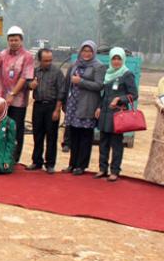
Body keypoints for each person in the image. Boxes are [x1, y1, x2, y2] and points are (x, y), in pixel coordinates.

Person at [94, 47, 138, 182]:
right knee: (103, 142)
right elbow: (105, 95)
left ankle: (115, 171)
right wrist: (99, 107)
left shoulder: (127, 74)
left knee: (117, 144)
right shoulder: (108, 73)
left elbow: (134, 95)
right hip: (105, 113)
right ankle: (102, 169)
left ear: (123, 59)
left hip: (118, 114)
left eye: (119, 59)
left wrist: (120, 99)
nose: (116, 62)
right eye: (114, 58)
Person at [62, 40, 106, 176]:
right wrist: (65, 102)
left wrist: (81, 82)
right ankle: (72, 163)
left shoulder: (98, 66)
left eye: (89, 51)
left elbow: (99, 85)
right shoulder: (75, 64)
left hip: (87, 104)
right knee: (73, 135)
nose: (86, 53)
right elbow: (67, 83)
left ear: (93, 52)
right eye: (84, 50)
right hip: (73, 104)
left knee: (85, 137)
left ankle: (81, 165)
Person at [0, 26, 34, 163]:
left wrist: (12, 94)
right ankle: (0, 154)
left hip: (18, 99)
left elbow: (24, 77)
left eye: (16, 40)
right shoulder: (2, 54)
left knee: (15, 128)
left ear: (21, 40)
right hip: (1, 97)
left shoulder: (27, 57)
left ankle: (14, 157)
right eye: (11, 40)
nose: (13, 42)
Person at [27, 48, 65, 174]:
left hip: (51, 106)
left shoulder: (57, 72)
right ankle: (36, 161)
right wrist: (30, 85)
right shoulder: (35, 71)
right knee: (37, 135)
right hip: (38, 106)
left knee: (51, 136)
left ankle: (50, 163)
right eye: (45, 60)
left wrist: (57, 110)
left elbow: (61, 91)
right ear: (39, 60)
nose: (48, 63)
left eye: (50, 60)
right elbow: (27, 83)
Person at [144, 76, 164, 184]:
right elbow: (156, 97)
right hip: (162, 119)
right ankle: (155, 177)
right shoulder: (162, 81)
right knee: (159, 147)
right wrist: (161, 106)